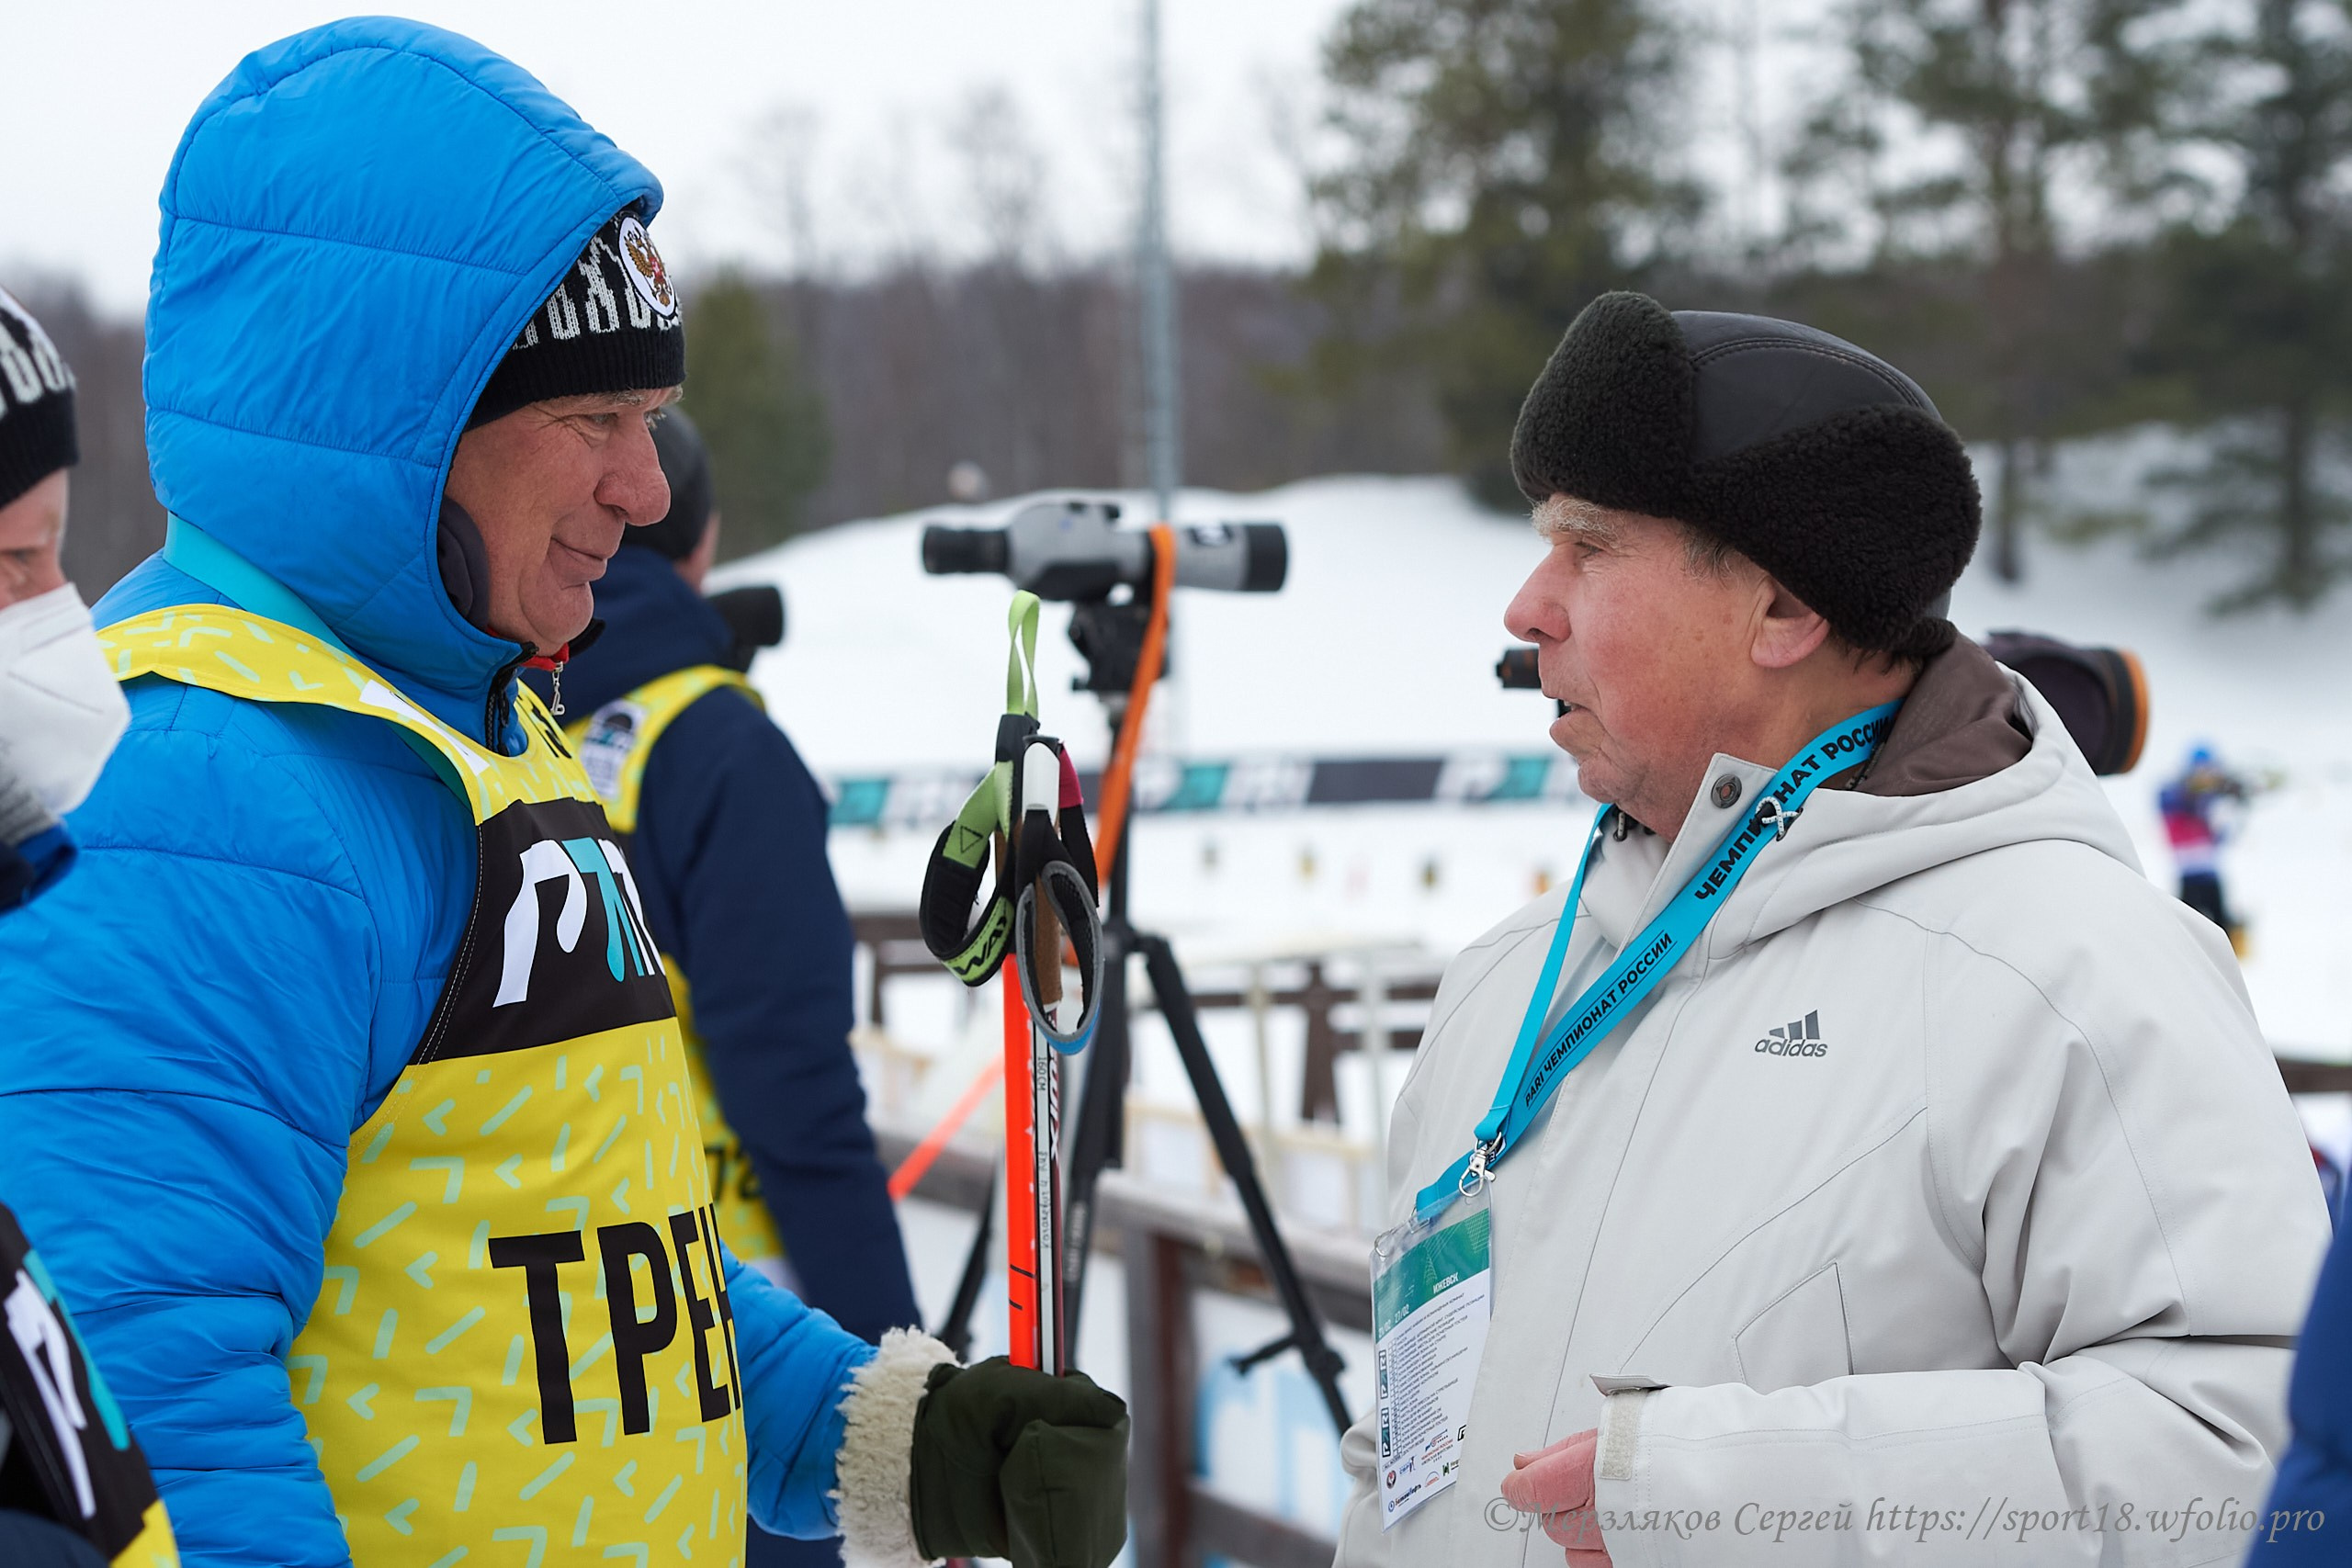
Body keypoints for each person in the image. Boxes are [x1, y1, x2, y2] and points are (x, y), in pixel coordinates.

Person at [0, 21, 1125, 1568]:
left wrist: (887, 1437)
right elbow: (150, 1421)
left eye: (649, 418)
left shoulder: (473, 726)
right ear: (402, 427)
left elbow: (601, 1262)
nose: (649, 488)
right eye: (596, 420)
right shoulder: (192, 781)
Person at [1335, 293, 2330, 1566]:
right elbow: (1399, 1458)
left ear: (1782, 612)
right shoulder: (1507, 986)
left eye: (1588, 546)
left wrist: (1711, 1494)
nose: (1529, 605)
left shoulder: (2072, 972)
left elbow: (2240, 1461)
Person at [538, 409, 920, 1568]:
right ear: (693, 544)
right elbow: (798, 1089)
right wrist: (898, 1375)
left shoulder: (506, 717)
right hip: (747, 1340)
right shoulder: (714, 745)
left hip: (550, 1324)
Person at [2158, 742, 2251, 950]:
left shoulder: (2213, 801)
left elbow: (2225, 835)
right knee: (2186, 940)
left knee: (2224, 940)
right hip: (2188, 877)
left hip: (2212, 877)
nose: (2206, 777)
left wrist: (2233, 803)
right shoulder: (2175, 795)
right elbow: (2171, 803)